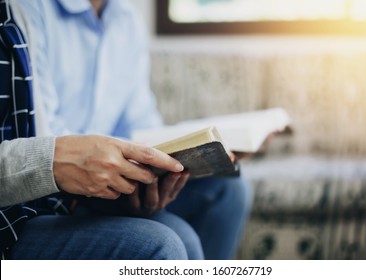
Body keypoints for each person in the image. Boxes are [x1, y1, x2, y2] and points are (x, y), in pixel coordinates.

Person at [13, 0, 253, 260]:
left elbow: (141, 125)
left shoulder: (127, 19)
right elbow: (41, 135)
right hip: (56, 190)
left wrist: (168, 162)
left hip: (115, 182)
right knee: (177, 237)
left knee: (229, 189)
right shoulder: (28, 8)